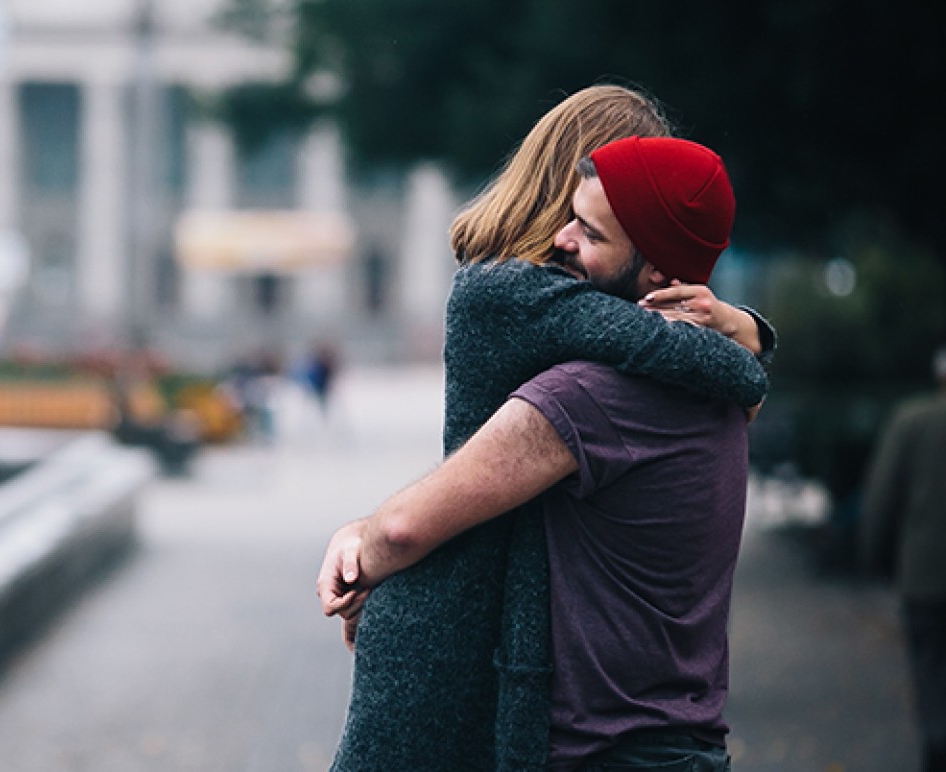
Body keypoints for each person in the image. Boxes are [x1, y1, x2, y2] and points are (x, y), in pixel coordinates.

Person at [327, 85, 774, 772]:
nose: (570, 237)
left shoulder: (589, 360)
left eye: (592, 229)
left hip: (484, 634)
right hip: (452, 636)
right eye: (579, 217)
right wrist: (747, 338)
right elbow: (705, 361)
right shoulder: (518, 299)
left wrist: (369, 538)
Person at [860, 346, 946, 772]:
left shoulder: (912, 420)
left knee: (930, 672)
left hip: (924, 576)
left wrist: (875, 558)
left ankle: (936, 745)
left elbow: (882, 497)